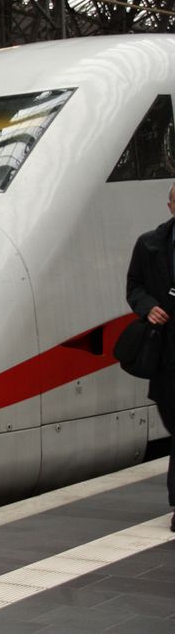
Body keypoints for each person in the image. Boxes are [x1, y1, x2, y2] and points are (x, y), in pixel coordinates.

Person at [125, 181, 175, 532]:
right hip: (167, 355)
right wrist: (148, 307)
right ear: (170, 206)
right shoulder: (150, 244)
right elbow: (134, 286)